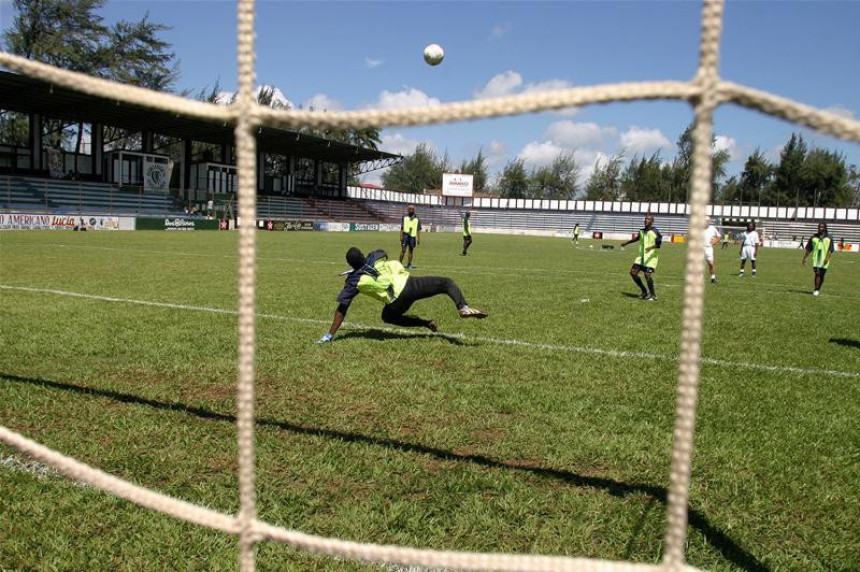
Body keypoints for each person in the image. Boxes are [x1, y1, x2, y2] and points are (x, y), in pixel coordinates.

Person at [317, 247, 487, 343]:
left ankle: (425, 323)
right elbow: (381, 251)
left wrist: (330, 334)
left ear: (349, 264)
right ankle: (463, 307)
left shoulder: (353, 281)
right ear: (362, 255)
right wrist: (368, 257)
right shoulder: (375, 257)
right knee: (446, 283)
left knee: (388, 316)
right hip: (410, 285)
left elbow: (342, 308)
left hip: (397, 301)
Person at [620, 214, 662, 301]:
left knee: (647, 275)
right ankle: (644, 291)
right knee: (633, 273)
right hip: (641, 257)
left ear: (652, 221)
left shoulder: (655, 231)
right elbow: (636, 239)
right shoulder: (642, 231)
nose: (646, 220)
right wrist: (626, 243)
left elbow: (658, 245)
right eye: (645, 219)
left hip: (651, 257)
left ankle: (653, 295)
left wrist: (650, 248)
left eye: (648, 219)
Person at [801, 222, 834, 296]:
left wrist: (827, 258)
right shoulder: (813, 237)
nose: (820, 228)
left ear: (825, 228)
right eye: (819, 227)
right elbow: (809, 249)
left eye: (822, 227)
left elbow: (830, 249)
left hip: (825, 260)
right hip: (816, 259)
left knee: (822, 275)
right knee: (817, 274)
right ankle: (816, 289)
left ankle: (818, 288)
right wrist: (805, 258)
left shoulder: (829, 237)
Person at [399, 205, 421, 269]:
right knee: (403, 250)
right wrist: (401, 236)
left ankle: (409, 264)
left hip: (413, 237)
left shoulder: (417, 218)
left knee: (411, 251)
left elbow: (418, 229)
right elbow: (402, 228)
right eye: (409, 208)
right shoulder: (404, 217)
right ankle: (400, 264)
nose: (411, 210)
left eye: (412, 209)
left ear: (414, 210)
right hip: (405, 236)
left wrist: (419, 238)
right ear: (407, 209)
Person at [703, 218, 722, 284]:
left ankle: (713, 277)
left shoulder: (712, 228)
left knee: (711, 264)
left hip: (708, 248)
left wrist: (715, 241)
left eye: (707, 221)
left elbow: (719, 237)